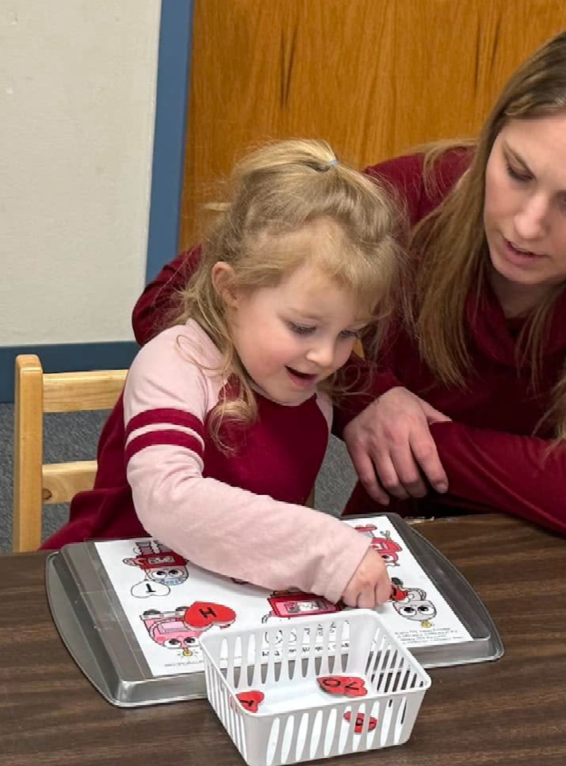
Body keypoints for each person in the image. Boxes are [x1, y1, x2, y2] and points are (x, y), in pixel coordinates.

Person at [128, 19, 566, 588]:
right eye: (516, 171)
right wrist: (365, 393)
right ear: (492, 136)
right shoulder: (428, 188)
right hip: (412, 548)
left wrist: (426, 445)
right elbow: (172, 301)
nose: (526, 225)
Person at [42, 139, 405, 608]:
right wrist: (327, 550)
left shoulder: (310, 389)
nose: (325, 357)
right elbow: (168, 498)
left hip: (222, 595)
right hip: (108, 578)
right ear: (231, 288)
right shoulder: (175, 360)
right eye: (302, 327)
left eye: (347, 334)